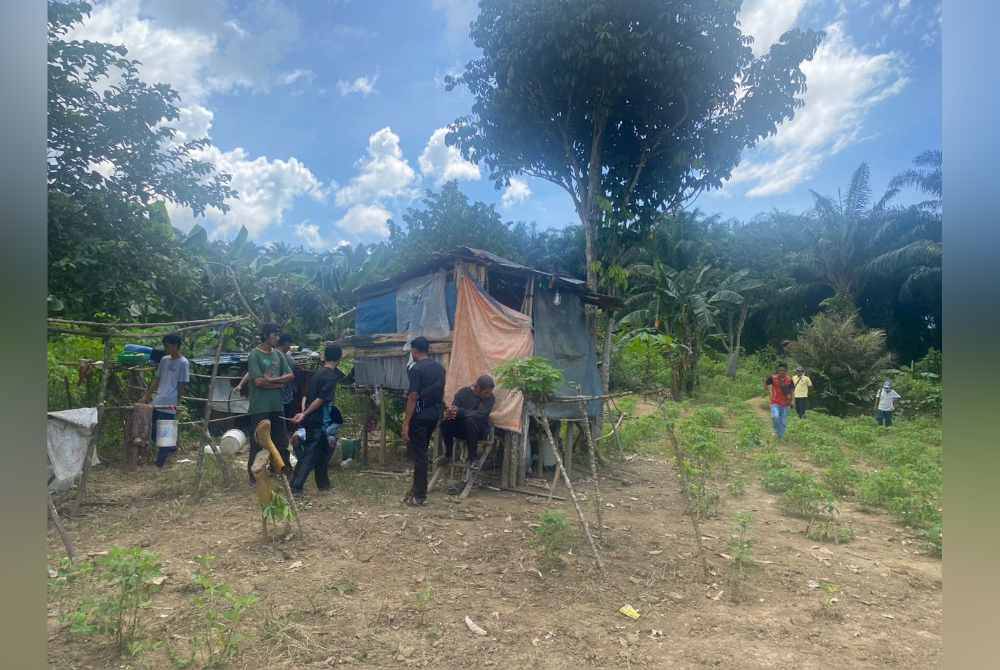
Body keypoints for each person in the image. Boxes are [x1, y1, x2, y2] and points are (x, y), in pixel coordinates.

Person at [290, 344, 353, 495]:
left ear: (325, 356)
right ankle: (296, 487)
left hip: (314, 419)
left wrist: (304, 413)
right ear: (339, 358)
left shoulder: (318, 373)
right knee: (310, 455)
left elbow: (309, 396)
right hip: (318, 420)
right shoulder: (330, 376)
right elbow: (320, 399)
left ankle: (323, 485)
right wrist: (305, 414)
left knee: (323, 453)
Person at [245, 323, 294, 484]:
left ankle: (282, 469)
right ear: (266, 335)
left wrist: (272, 380)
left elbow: (290, 376)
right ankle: (255, 476)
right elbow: (258, 382)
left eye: (278, 335)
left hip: (276, 405)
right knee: (258, 442)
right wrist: (279, 384)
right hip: (259, 406)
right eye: (275, 335)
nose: (277, 338)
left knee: (281, 439)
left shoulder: (278, 355)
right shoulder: (254, 355)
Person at [402, 336, 446, 506]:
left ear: (415, 350)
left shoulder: (416, 369)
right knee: (422, 452)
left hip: (419, 416)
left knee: (419, 455)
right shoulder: (440, 368)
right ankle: (416, 489)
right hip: (434, 415)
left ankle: (419, 495)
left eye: (411, 351)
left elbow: (413, 397)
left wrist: (406, 423)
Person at [142, 333, 190, 467]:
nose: (166, 348)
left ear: (175, 346)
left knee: (166, 432)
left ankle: (160, 463)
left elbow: (182, 384)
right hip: (158, 399)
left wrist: (177, 401)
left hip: (171, 400)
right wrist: (147, 396)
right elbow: (156, 380)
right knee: (152, 430)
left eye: (167, 346)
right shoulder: (164, 360)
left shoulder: (183, 363)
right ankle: (171, 448)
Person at [441, 375, 496, 464]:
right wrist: (451, 412)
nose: (488, 395)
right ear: (477, 388)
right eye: (486, 392)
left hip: (479, 431)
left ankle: (472, 458)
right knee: (446, 422)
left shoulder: (490, 398)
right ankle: (448, 455)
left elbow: (481, 415)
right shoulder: (463, 393)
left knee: (470, 421)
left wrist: (461, 412)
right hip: (461, 429)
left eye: (489, 392)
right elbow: (455, 409)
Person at [764, 362, 795, 440]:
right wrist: (770, 392)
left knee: (783, 421)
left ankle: (780, 437)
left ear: (786, 371)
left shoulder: (789, 379)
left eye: (783, 370)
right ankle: (775, 430)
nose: (782, 372)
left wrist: (792, 401)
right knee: (775, 417)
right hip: (775, 402)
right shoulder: (772, 378)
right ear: (777, 370)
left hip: (786, 404)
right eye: (780, 370)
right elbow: (766, 384)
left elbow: (792, 391)